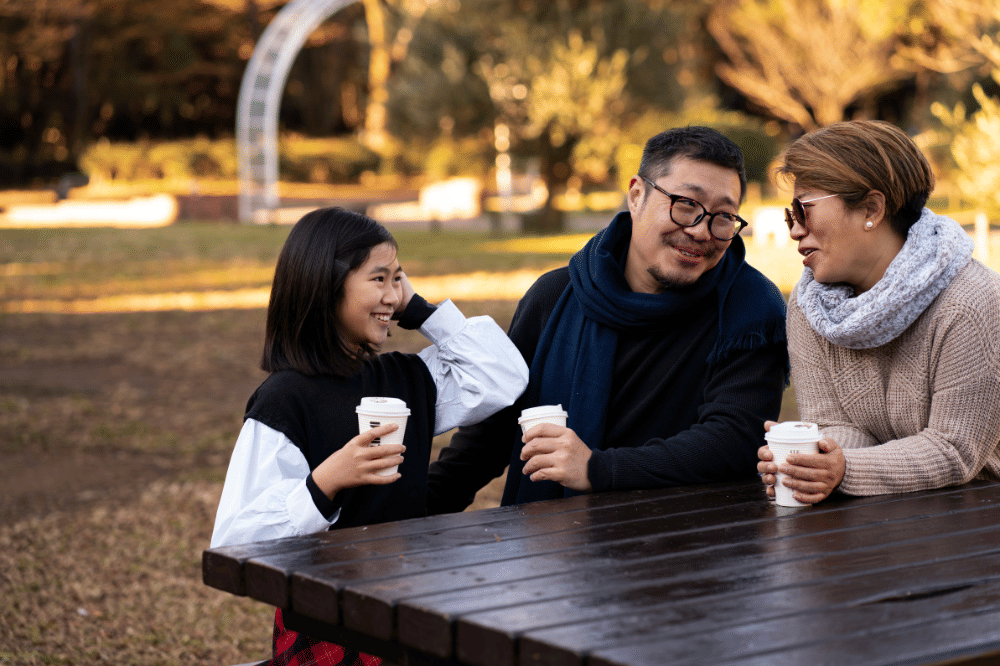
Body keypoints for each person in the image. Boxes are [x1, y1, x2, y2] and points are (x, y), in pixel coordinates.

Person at [210, 207, 528, 665]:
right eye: (379, 279)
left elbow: (503, 373)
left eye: (399, 279)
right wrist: (324, 484)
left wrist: (420, 309)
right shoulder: (285, 400)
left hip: (408, 609)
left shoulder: (406, 378)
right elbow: (234, 540)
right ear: (326, 284)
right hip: (326, 629)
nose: (393, 295)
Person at [426, 126, 789, 512]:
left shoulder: (750, 309)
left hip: (691, 542)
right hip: (551, 546)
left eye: (723, 217)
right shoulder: (556, 296)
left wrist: (597, 469)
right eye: (686, 204)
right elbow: (486, 442)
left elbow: (733, 440)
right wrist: (394, 518)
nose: (701, 231)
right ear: (636, 195)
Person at [758, 120, 1000, 505]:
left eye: (804, 210)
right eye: (791, 214)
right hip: (880, 519)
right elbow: (836, 426)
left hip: (976, 518)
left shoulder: (970, 302)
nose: (794, 231)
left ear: (872, 208)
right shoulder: (812, 308)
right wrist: (818, 461)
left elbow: (956, 449)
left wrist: (846, 469)